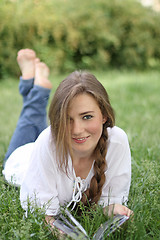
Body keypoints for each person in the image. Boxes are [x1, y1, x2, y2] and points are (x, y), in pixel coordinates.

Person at [2, 48, 133, 229]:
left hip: (50, 144)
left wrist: (115, 209)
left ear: (104, 115)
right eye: (67, 119)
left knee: (35, 123)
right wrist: (58, 231)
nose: (77, 130)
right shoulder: (46, 142)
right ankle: (36, 87)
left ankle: (31, 81)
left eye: (87, 116)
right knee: (30, 119)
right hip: (22, 158)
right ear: (58, 120)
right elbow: (43, 214)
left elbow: (109, 201)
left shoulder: (116, 141)